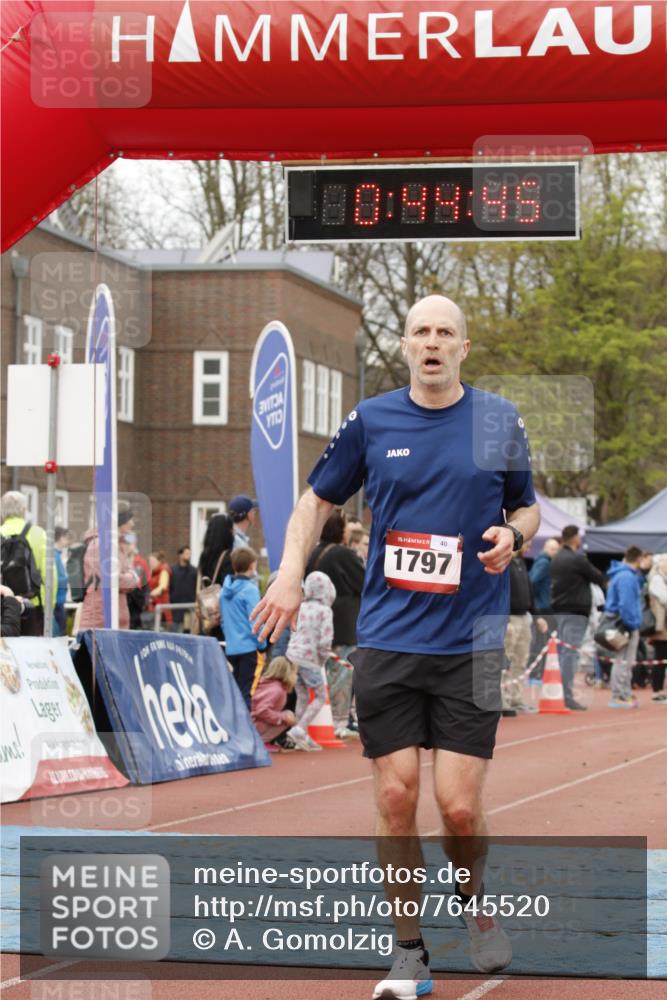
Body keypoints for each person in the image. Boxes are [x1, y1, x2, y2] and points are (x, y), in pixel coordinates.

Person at [251, 294, 540, 994]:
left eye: (445, 332)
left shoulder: (497, 420)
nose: (432, 342)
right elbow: (316, 501)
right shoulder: (372, 420)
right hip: (389, 638)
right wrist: (289, 573)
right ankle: (409, 948)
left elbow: (526, 505)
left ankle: (472, 900)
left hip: (472, 640)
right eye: (420, 332)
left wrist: (514, 535)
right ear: (405, 346)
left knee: (459, 806)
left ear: (463, 348)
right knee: (396, 793)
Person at [306, 508, 365, 739]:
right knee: (341, 673)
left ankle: (319, 719)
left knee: (322, 673)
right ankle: (339, 721)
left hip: (316, 621)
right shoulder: (343, 554)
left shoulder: (314, 552)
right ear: (340, 529)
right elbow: (364, 582)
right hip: (342, 622)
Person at [550, 525, 605, 710]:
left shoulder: (556, 558)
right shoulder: (577, 559)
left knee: (565, 653)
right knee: (570, 654)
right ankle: (566, 696)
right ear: (575, 538)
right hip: (575, 611)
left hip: (560, 610)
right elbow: (597, 576)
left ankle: (562, 693)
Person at [285, 570, 336, 752]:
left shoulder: (302, 607)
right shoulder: (325, 611)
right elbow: (325, 639)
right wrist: (323, 657)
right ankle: (299, 729)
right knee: (320, 696)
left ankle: (301, 732)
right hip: (309, 659)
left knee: (302, 695)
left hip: (293, 656)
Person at [0, 490, 56, 636]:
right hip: (32, 605)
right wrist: (48, 608)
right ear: (24, 510)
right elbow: (51, 576)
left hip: (3, 608)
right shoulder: (39, 533)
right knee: (33, 649)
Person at [80, 503, 139, 630]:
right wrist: (133, 577)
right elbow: (113, 580)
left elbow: (125, 574)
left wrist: (130, 575)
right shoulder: (100, 545)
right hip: (100, 617)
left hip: (114, 615)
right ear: (120, 521)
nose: (133, 524)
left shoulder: (117, 545)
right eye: (130, 519)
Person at [221, 546, 266, 710]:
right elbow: (256, 621)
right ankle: (245, 726)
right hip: (249, 649)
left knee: (233, 693)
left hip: (231, 649)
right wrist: (262, 645)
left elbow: (224, 622)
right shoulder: (250, 590)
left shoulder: (223, 592)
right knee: (247, 693)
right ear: (252, 565)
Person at [503, 544, 547, 713]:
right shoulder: (505, 562)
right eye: (528, 543)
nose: (529, 548)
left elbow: (530, 591)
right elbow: (501, 592)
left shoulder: (521, 562)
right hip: (510, 618)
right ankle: (502, 700)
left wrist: (537, 616)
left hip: (523, 617)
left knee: (521, 661)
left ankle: (516, 698)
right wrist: (504, 619)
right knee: (505, 660)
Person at [605, 546, 643, 709]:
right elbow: (626, 604)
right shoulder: (627, 577)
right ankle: (619, 695)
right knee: (624, 661)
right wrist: (632, 624)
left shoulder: (620, 574)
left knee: (624, 660)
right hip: (625, 625)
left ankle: (623, 693)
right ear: (639, 559)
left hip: (621, 622)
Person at [197, 512, 235, 638]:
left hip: (207, 615)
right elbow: (229, 588)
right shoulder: (228, 557)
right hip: (222, 617)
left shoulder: (204, 556)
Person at [251, 655, 297, 751]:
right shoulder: (276, 689)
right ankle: (261, 742)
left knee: (287, 715)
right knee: (288, 716)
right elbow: (262, 711)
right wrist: (283, 718)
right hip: (254, 723)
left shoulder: (268, 683)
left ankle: (262, 740)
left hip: (252, 722)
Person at [648, 554, 667, 701]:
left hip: (664, 624)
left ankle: (660, 690)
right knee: (660, 658)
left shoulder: (662, 579)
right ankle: (656, 691)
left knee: (662, 659)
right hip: (660, 626)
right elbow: (664, 598)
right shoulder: (656, 579)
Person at [170, 545, 197, 630]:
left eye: (190, 554)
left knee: (188, 631)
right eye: (186, 553)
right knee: (175, 631)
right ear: (180, 555)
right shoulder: (172, 570)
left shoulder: (194, 571)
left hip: (189, 607)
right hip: (175, 607)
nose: (189, 556)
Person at [53, 527, 71, 636]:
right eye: (66, 538)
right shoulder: (55, 556)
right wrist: (67, 579)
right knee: (59, 633)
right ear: (60, 537)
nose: (68, 541)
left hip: (58, 599)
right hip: (57, 600)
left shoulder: (56, 555)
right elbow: (57, 579)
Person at [148, 552, 172, 627]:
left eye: (153, 561)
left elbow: (163, 586)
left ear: (159, 561)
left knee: (162, 626)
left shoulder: (164, 570)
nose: (151, 563)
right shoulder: (152, 572)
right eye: (150, 561)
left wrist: (150, 594)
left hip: (162, 603)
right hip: (154, 603)